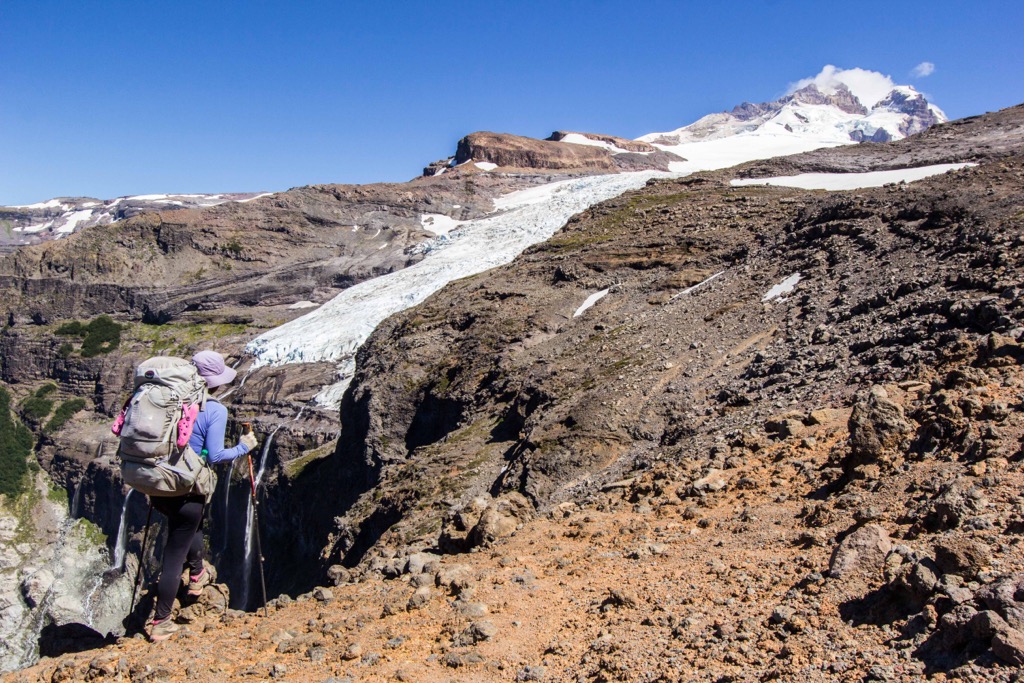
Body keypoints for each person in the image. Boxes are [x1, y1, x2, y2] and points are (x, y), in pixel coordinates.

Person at [147, 350, 258, 642]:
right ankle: (161, 621)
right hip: (187, 488)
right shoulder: (214, 409)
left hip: (158, 484)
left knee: (189, 527)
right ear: (214, 381)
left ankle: (196, 575)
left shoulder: (166, 400)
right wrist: (245, 446)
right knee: (174, 554)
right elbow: (218, 454)